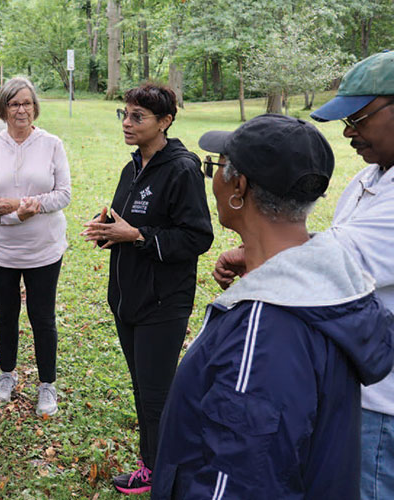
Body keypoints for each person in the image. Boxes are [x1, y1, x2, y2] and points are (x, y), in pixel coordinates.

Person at [152, 114, 394, 500]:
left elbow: (236, 480)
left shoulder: (263, 333)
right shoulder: (330, 294)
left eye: (214, 167)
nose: (211, 177)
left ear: (239, 186)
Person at [213, 51, 394, 500]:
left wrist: (255, 251)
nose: (350, 133)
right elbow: (329, 247)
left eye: (360, 118)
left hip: (384, 404)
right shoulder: (370, 179)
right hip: (355, 388)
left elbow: (339, 260)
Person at [81, 83, 213, 495]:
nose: (126, 122)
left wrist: (136, 235)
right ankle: (156, 463)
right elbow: (129, 224)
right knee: (143, 389)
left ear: (166, 121)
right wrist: (109, 231)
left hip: (162, 304)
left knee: (157, 396)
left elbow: (197, 237)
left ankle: (161, 473)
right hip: (128, 301)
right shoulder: (132, 166)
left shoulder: (182, 169)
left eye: (138, 117)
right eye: (125, 113)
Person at [0, 77, 71, 416]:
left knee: (42, 317)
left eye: (27, 103)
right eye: (14, 103)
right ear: (4, 108)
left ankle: (47, 385)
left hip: (43, 249)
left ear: (35, 106)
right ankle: (7, 375)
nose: (21, 109)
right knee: (6, 314)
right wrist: (14, 215)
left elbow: (63, 194)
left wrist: (27, 204)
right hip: (0, 250)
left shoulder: (52, 144)